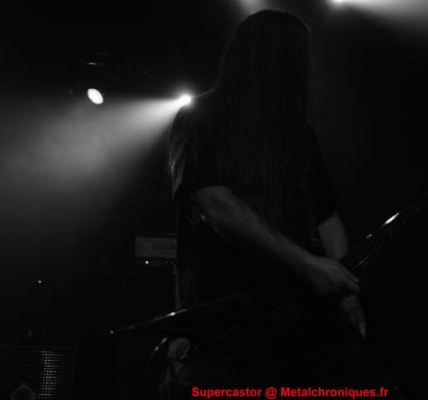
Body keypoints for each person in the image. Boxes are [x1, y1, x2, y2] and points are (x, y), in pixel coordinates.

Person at [164, 9, 397, 397]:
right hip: (231, 320)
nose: (305, 69)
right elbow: (214, 203)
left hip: (303, 312)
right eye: (297, 54)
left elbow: (326, 215)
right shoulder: (201, 115)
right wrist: (307, 264)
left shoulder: (298, 131)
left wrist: (347, 293)